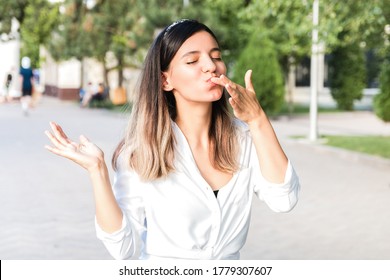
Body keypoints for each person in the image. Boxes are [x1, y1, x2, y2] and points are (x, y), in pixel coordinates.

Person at [45, 19, 300, 260]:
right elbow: (123, 247)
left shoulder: (245, 138)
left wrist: (257, 120)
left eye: (216, 56)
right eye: (192, 61)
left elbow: (283, 200)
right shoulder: (141, 151)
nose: (211, 66)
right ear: (166, 80)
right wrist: (97, 171)